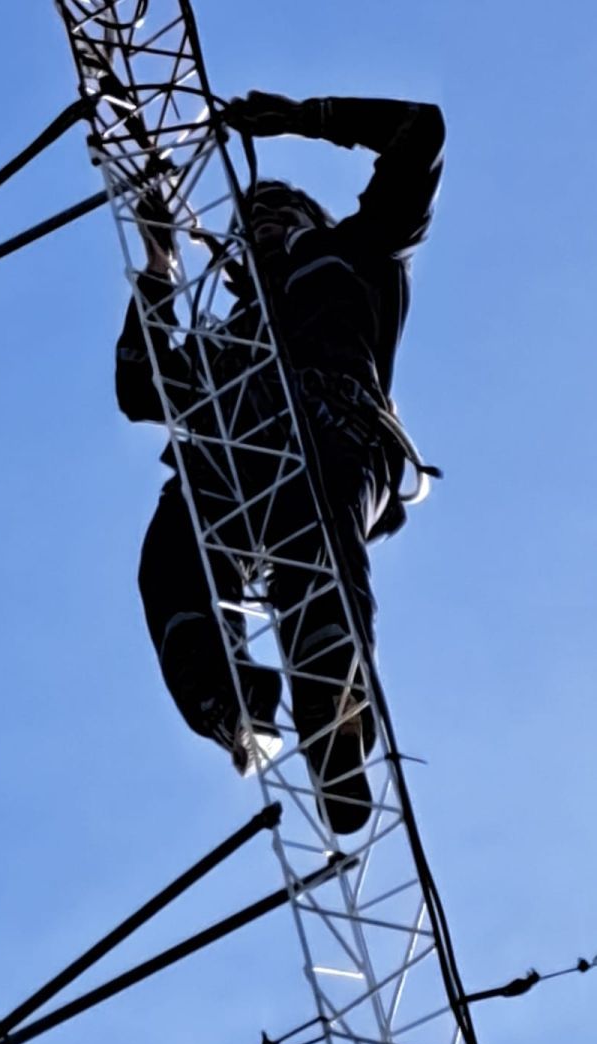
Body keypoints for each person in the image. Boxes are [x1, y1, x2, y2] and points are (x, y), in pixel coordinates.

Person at [115, 93, 445, 834]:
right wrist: (161, 267)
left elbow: (419, 131)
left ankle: (332, 701)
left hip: (336, 434)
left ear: (315, 217)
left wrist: (305, 117)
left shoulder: (361, 257)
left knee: (313, 535)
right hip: (239, 468)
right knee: (172, 551)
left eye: (280, 206)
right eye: (249, 216)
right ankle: (232, 701)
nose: (260, 217)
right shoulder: (232, 338)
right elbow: (142, 389)